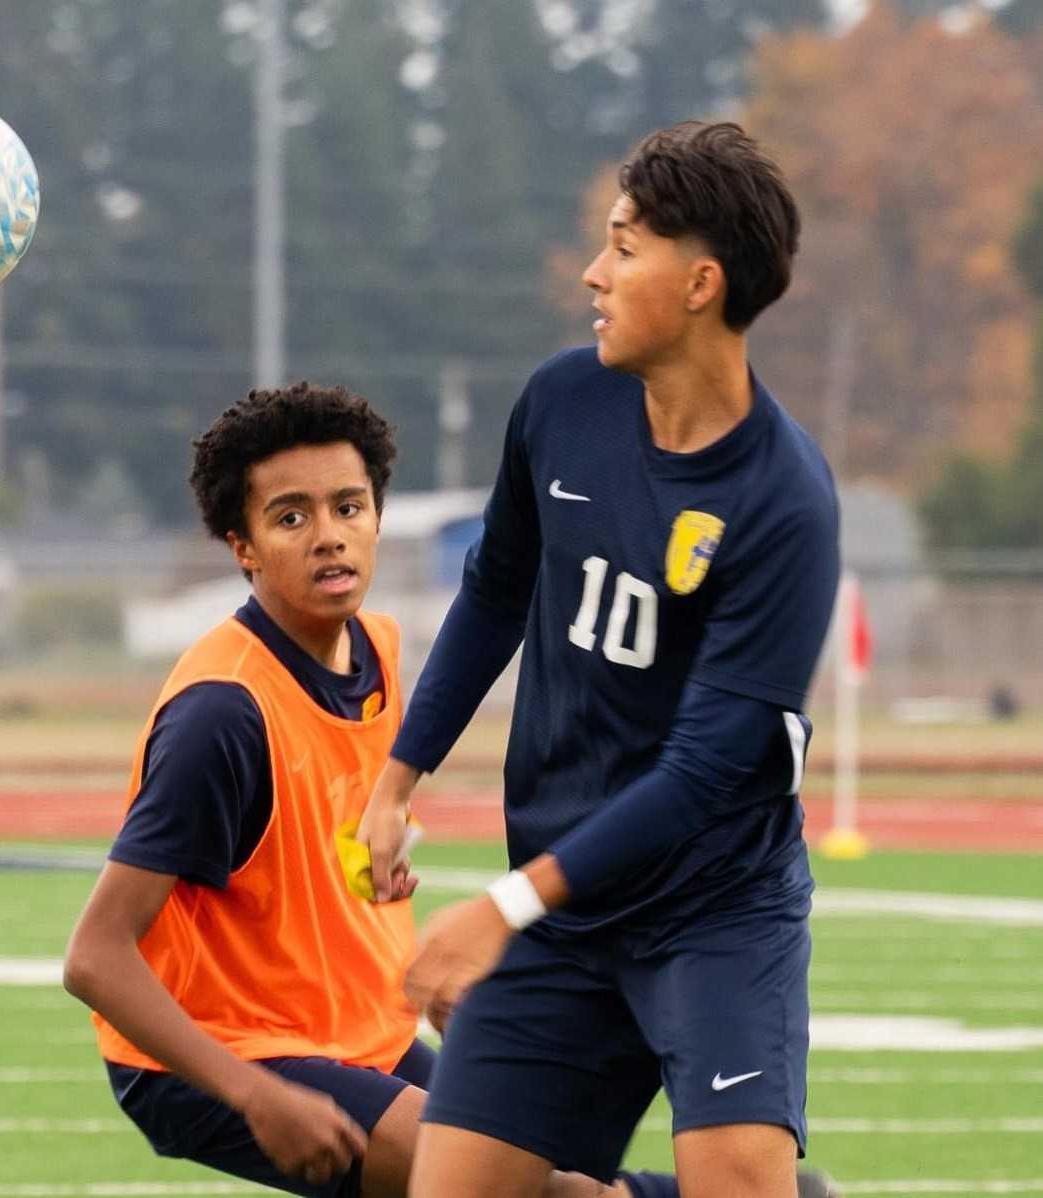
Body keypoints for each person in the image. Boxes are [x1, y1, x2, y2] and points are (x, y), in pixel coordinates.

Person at [62, 383, 734, 1198]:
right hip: (219, 1058)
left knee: (553, 1157)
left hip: (352, 1032)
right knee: (538, 1191)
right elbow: (95, 958)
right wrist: (258, 1095)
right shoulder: (221, 714)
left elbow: (307, 835)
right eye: (290, 517)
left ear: (378, 515)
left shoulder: (373, 649)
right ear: (242, 546)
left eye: (348, 507)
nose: (328, 537)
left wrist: (374, 868)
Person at [358, 121, 842, 1198]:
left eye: (624, 247)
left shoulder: (785, 502)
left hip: (711, 909)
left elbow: (706, 770)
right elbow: (495, 593)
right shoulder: (561, 402)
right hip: (564, 905)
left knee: (742, 1186)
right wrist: (398, 779)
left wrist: (502, 906)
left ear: (701, 283)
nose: (593, 271)